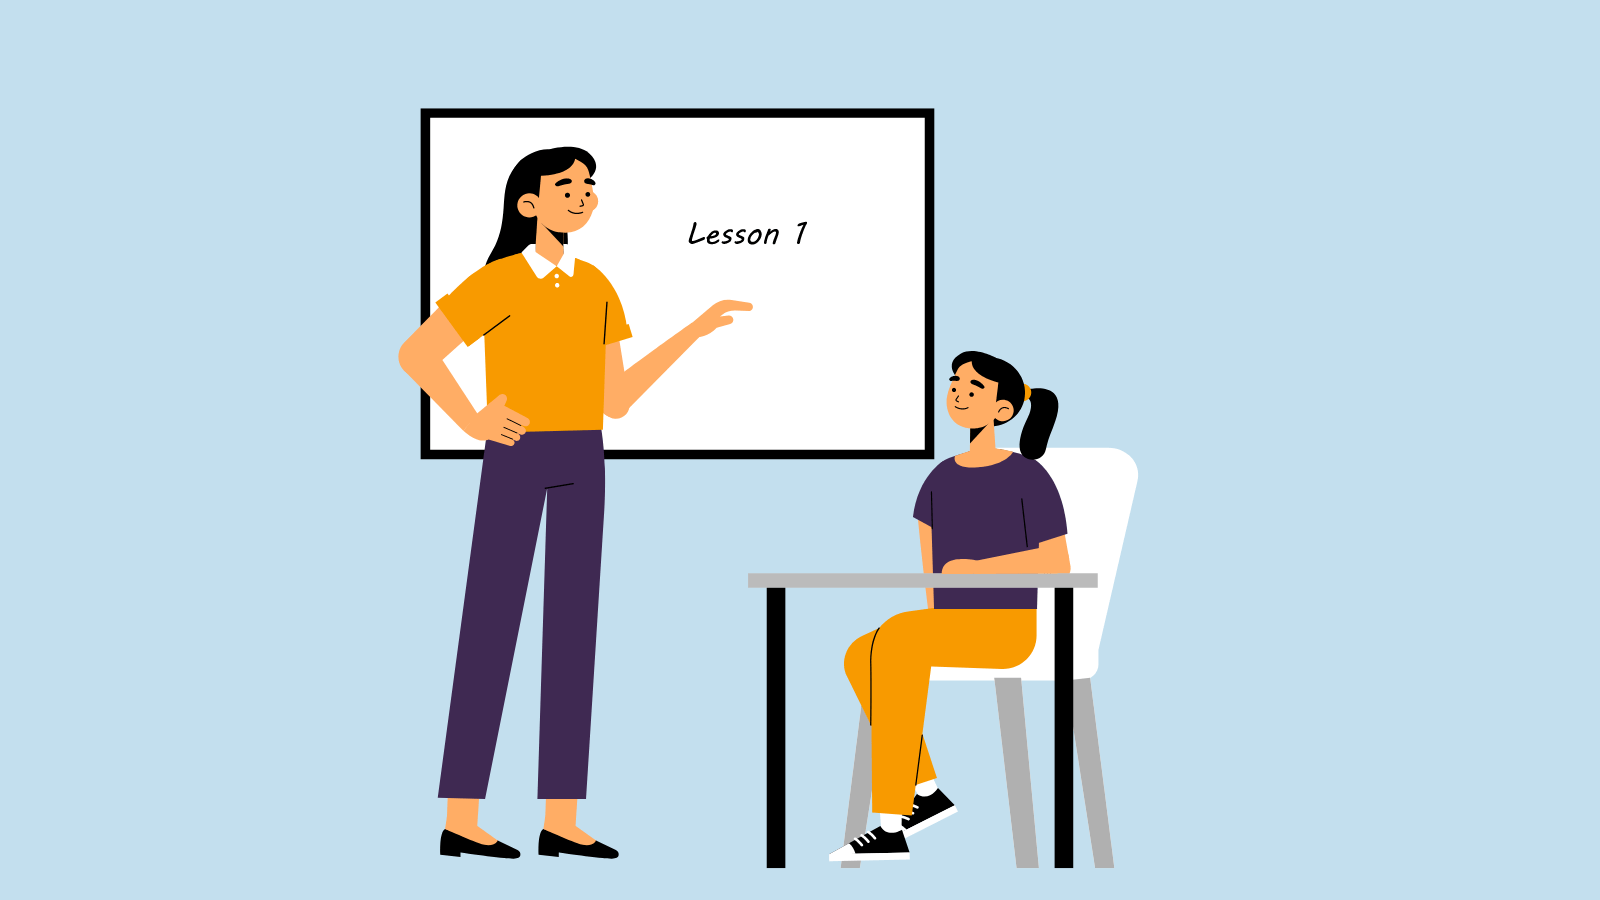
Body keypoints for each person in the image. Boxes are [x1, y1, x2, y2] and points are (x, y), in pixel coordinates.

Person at [399, 146, 752, 861]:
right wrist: (472, 420)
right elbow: (418, 353)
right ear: (527, 202)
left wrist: (693, 329)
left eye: (590, 185)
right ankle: (461, 817)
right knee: (490, 626)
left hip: (584, 457)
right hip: (517, 455)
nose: (583, 195)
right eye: (567, 185)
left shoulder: (595, 284)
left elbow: (615, 399)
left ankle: (561, 817)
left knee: (571, 634)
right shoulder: (500, 280)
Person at [828, 351, 1065, 863]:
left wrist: (979, 570)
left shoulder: (1028, 477)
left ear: (1002, 410)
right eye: (955, 382)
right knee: (859, 653)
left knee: (895, 637)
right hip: (950, 624)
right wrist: (937, 614)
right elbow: (933, 573)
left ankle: (891, 824)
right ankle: (928, 793)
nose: (957, 391)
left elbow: (1056, 562)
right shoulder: (938, 479)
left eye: (973, 387)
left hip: (1007, 628)